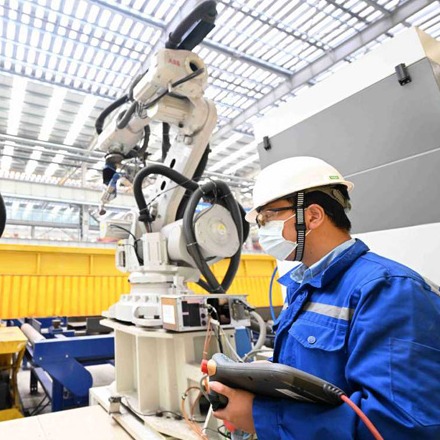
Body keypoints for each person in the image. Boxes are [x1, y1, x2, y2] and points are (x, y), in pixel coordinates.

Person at [210, 156, 440, 439]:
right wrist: (267, 376)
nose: (262, 230)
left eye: (268, 217)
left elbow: (399, 425)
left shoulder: (389, 289)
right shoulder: (303, 286)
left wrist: (263, 417)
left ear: (312, 216)